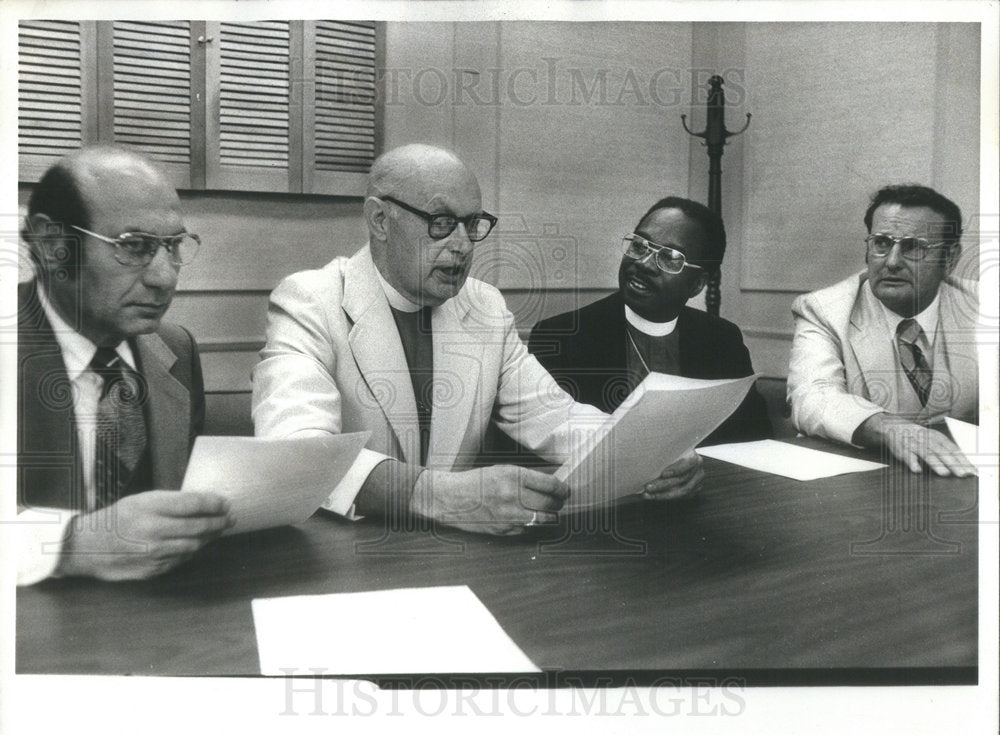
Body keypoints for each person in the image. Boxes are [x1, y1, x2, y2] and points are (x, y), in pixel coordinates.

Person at [252, 144, 704, 535]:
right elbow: (296, 455)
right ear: (380, 220)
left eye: (473, 224)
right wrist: (437, 494)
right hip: (342, 557)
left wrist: (652, 452)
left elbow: (555, 417)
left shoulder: (484, 306)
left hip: (454, 553)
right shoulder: (310, 300)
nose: (464, 245)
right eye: (442, 222)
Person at [16, 145, 233, 584]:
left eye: (173, 246)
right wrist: (76, 545)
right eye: (133, 246)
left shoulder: (176, 350)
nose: (165, 277)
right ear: (53, 244)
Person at [529, 196, 771, 446]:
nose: (644, 263)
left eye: (670, 258)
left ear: (697, 284)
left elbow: (755, 438)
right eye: (640, 245)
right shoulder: (563, 338)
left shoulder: (721, 339)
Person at [787, 183, 978, 476]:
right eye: (882, 243)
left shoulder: (985, 306)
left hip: (959, 476)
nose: (891, 262)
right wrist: (888, 428)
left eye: (914, 247)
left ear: (949, 259)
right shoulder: (823, 310)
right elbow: (811, 398)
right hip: (862, 481)